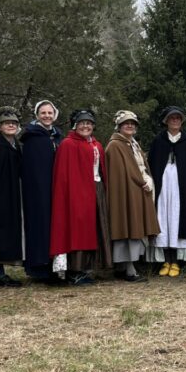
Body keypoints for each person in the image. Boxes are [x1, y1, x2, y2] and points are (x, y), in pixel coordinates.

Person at [50, 109, 112, 285]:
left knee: (94, 228)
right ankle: (74, 270)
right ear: (75, 126)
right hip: (76, 194)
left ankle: (88, 268)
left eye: (89, 123)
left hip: (96, 189)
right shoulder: (68, 144)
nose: (86, 126)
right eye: (82, 123)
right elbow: (63, 176)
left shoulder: (97, 145)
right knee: (78, 229)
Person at [148, 106, 186, 277]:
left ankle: (177, 262)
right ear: (166, 121)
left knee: (178, 219)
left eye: (178, 118)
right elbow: (151, 165)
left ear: (181, 121)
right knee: (163, 218)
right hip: (163, 187)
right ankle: (166, 260)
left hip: (182, 187)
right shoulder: (159, 141)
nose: (175, 121)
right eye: (172, 118)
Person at [106, 110, 159, 282]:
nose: (130, 126)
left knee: (133, 228)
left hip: (137, 191)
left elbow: (140, 166)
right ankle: (128, 269)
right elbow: (121, 174)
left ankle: (125, 267)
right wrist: (141, 181)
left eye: (133, 123)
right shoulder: (115, 146)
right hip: (127, 194)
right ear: (119, 126)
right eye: (126, 123)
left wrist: (147, 180)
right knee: (128, 227)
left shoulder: (132, 144)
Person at [20, 100, 63, 282]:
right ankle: (39, 267)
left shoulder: (57, 137)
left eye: (49, 113)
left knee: (55, 225)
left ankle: (55, 265)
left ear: (54, 115)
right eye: (43, 113)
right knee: (40, 225)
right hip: (38, 189)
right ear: (37, 115)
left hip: (56, 187)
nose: (47, 116)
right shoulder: (32, 137)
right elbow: (30, 168)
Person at [0, 106, 23, 288]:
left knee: (7, 230)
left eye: (14, 123)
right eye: (7, 123)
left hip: (13, 191)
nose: (11, 126)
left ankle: (1, 272)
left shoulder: (15, 144)